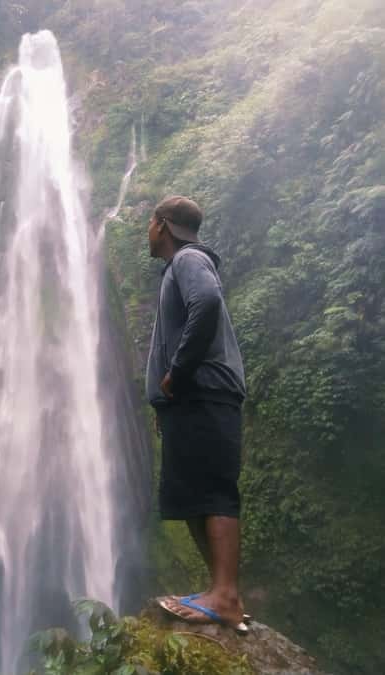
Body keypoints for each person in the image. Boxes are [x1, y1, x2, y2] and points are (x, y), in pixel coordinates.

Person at [145, 196, 249, 634]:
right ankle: (222, 594)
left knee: (211, 490)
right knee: (193, 497)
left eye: (150, 223)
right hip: (190, 402)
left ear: (163, 225)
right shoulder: (181, 267)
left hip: (202, 391)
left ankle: (223, 595)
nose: (147, 231)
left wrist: (176, 374)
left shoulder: (188, 260)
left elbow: (205, 303)